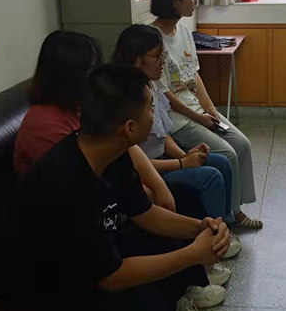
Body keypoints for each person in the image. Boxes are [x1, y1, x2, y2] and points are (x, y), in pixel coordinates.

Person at [16, 65, 232, 311]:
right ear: (130, 128)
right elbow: (111, 277)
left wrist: (200, 227)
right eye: (150, 108)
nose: (154, 114)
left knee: (167, 236)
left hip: (89, 263)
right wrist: (194, 254)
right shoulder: (67, 180)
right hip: (47, 289)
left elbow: (145, 213)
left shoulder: (112, 154)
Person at [113, 24, 242, 262]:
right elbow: (135, 163)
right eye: (157, 57)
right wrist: (182, 164)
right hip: (152, 171)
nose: (163, 62)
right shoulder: (126, 98)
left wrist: (185, 155)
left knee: (221, 162)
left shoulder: (150, 85)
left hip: (163, 161)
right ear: (136, 58)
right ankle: (211, 245)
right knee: (210, 175)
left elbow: (163, 135)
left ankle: (223, 227)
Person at [14, 30, 177, 214]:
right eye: (92, 70)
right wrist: (148, 196)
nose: (101, 76)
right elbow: (92, 181)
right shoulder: (44, 125)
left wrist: (159, 187)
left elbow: (126, 147)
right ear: (69, 75)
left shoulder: (83, 105)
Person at [149, 0, 262, 230]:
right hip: (177, 119)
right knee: (227, 153)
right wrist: (199, 118)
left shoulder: (184, 31)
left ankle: (237, 204)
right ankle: (231, 215)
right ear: (174, 0)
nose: (195, 2)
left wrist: (210, 110)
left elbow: (195, 76)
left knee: (242, 144)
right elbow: (164, 94)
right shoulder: (152, 38)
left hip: (198, 110)